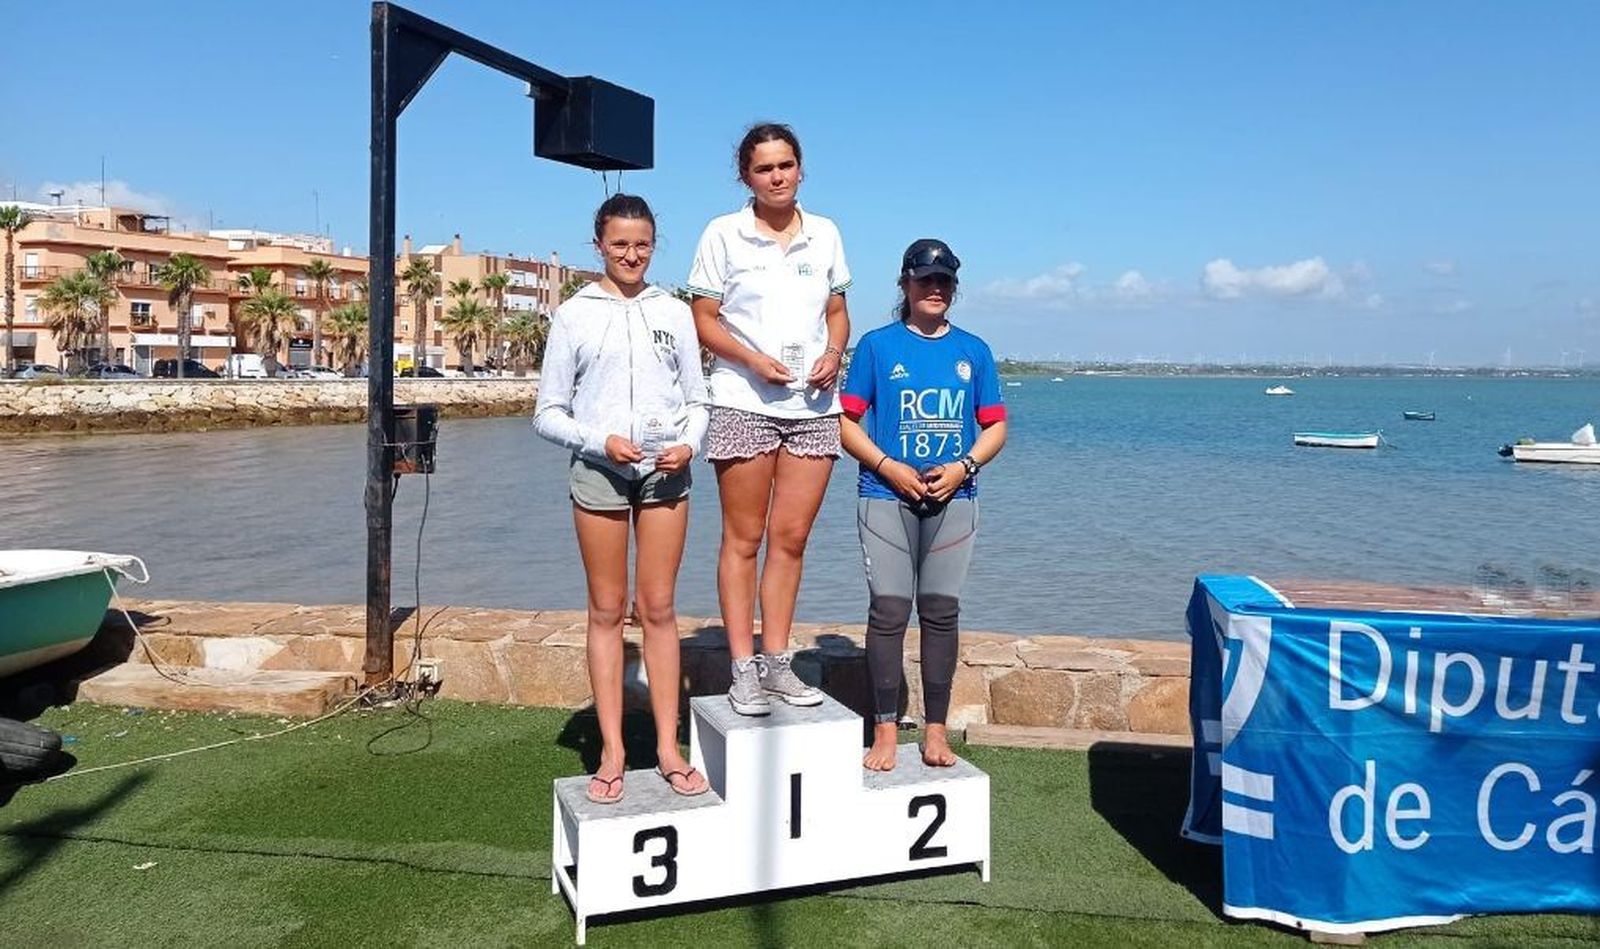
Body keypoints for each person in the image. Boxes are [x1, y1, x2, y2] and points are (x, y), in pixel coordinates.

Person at [533, 193, 710, 802]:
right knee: (607, 610)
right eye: (619, 245)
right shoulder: (574, 314)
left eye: (642, 245)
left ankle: (666, 747)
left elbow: (698, 399)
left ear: (654, 246)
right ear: (599, 246)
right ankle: (611, 750)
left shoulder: (675, 313)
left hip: (667, 472)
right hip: (600, 471)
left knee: (657, 608)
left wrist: (690, 443)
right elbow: (547, 413)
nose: (631, 255)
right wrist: (598, 440)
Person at [687, 122, 851, 716]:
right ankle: (743, 670)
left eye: (785, 165)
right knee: (744, 539)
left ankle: (778, 665)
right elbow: (703, 318)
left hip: (813, 408)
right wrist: (753, 360)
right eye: (764, 168)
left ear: (801, 168)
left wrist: (834, 354)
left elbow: (837, 311)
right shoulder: (722, 234)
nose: (777, 176)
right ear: (746, 176)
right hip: (742, 400)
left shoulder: (826, 234)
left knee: (791, 539)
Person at [839, 238, 1008, 770]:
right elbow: (846, 423)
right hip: (885, 495)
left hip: (954, 497)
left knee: (940, 610)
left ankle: (936, 729)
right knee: (889, 610)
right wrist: (888, 466)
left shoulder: (973, 351)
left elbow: (996, 426)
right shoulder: (877, 346)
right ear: (904, 284)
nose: (934, 289)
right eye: (924, 280)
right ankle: (885, 728)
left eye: (944, 282)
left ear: (954, 289)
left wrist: (964, 468)